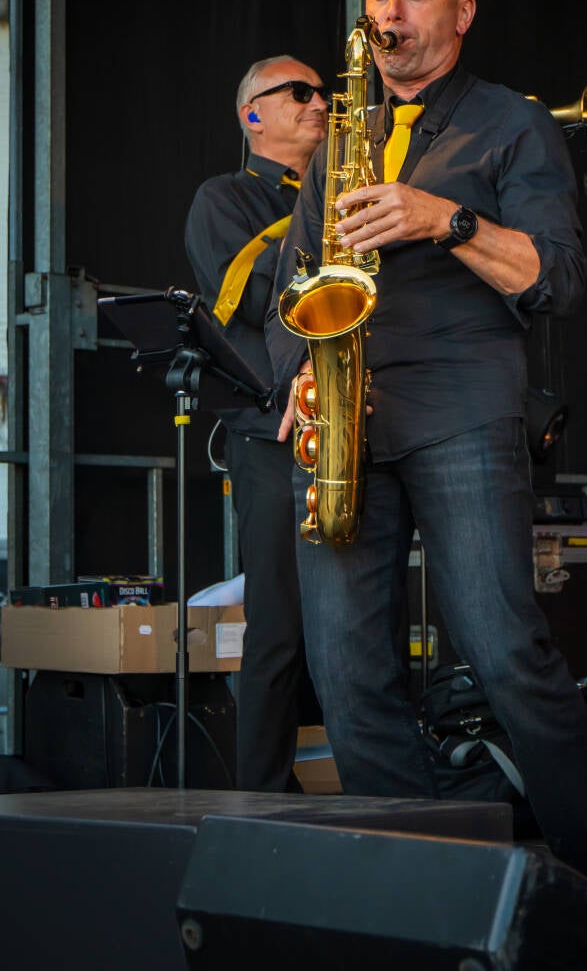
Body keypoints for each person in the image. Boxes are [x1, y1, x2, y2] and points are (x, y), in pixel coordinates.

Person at [266, 0, 587, 909]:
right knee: (347, 673)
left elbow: (557, 277)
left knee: (501, 648)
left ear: (461, 12)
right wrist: (299, 377)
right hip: (350, 417)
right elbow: (292, 283)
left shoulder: (512, 124)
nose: (388, 10)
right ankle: (422, 884)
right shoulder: (337, 141)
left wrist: (442, 217)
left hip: (460, 409)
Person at [184, 55, 329, 791]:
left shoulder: (342, 193)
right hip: (272, 431)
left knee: (362, 623)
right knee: (277, 624)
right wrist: (326, 221)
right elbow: (246, 292)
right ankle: (263, 800)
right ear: (252, 115)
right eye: (299, 92)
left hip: (350, 427)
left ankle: (381, 799)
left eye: (323, 92)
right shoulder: (224, 198)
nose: (319, 102)